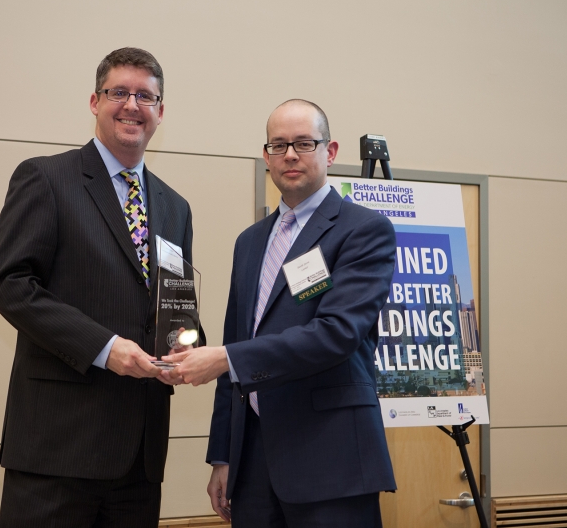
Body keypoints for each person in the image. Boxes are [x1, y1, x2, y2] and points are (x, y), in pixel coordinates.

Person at [165, 99, 397, 527]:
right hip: (252, 467)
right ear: (267, 156)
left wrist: (227, 358)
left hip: (332, 462)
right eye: (278, 145)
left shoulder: (364, 230)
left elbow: (337, 334)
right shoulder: (249, 241)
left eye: (303, 143)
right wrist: (222, 454)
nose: (290, 155)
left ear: (330, 152)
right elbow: (235, 340)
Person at [0, 47, 194, 528]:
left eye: (145, 96)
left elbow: (173, 303)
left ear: (160, 111)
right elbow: (12, 285)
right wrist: (105, 348)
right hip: (59, 451)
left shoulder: (175, 207)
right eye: (118, 92)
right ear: (94, 101)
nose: (131, 105)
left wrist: (185, 347)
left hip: (140, 459)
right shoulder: (46, 178)